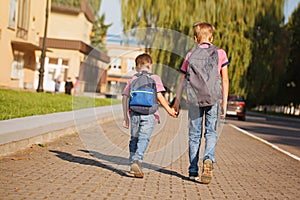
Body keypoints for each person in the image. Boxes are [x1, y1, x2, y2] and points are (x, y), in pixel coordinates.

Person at [173, 22, 229, 184]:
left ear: (195, 38)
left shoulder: (190, 55)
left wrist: (176, 101)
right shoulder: (220, 53)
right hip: (213, 98)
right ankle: (208, 159)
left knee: (194, 135)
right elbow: (225, 79)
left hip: (194, 100)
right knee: (211, 132)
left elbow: (182, 79)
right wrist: (224, 103)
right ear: (211, 37)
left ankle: (192, 170)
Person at [122, 53, 177, 178]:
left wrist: (126, 117)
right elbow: (159, 96)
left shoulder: (133, 78)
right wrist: (169, 110)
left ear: (137, 67)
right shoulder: (155, 78)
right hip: (149, 114)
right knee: (144, 138)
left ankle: (132, 163)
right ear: (150, 66)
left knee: (134, 138)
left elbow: (125, 98)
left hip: (134, 113)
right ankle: (137, 160)